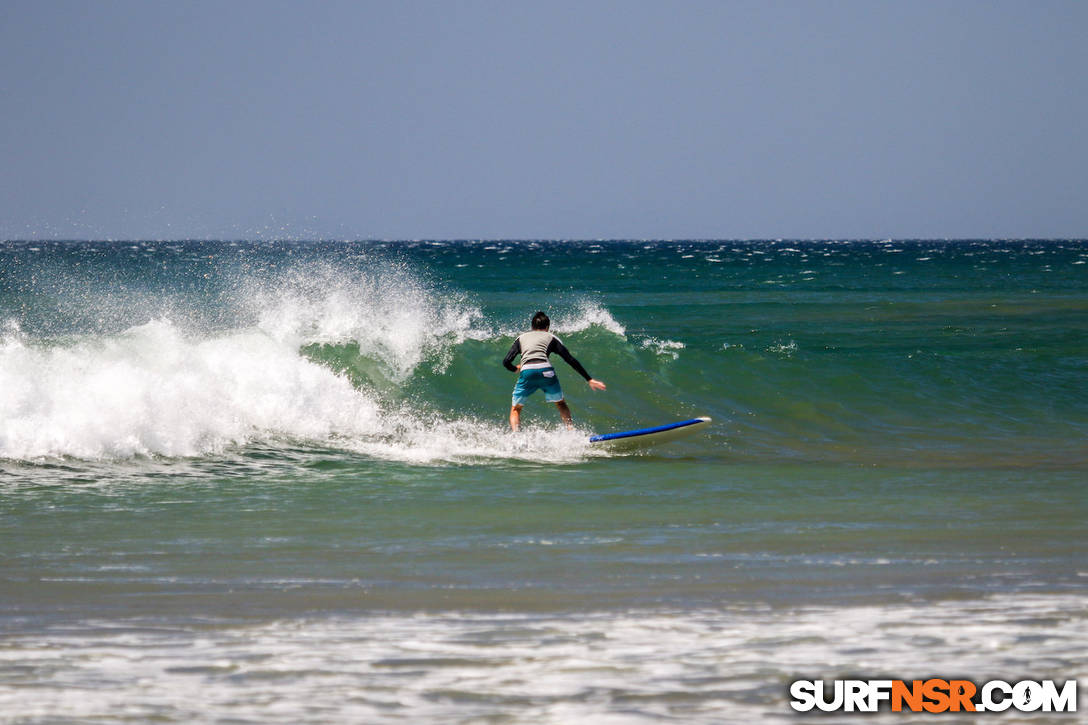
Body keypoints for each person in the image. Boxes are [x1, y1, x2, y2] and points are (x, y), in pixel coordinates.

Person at [502, 311, 606, 431]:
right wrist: (589, 379)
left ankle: (517, 436)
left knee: (516, 409)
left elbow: (506, 361)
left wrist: (515, 369)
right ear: (547, 328)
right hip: (547, 371)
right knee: (560, 403)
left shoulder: (521, 338)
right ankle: (570, 431)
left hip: (527, 370)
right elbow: (570, 359)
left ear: (532, 327)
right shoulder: (551, 337)